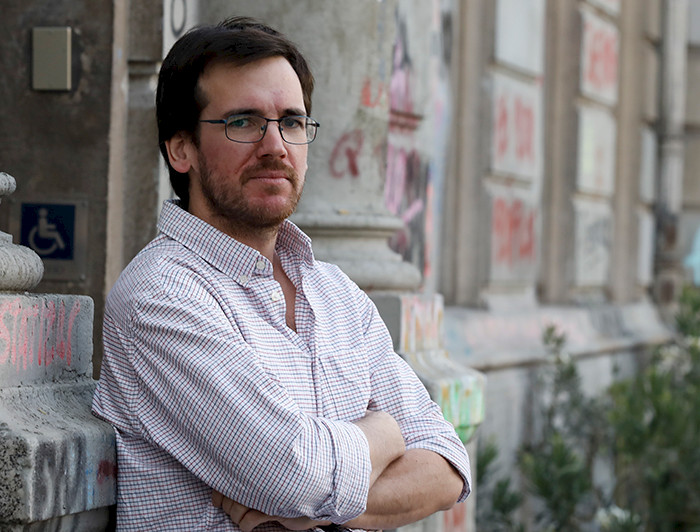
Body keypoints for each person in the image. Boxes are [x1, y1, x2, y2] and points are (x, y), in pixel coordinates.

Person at [92, 16, 471, 531]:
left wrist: (301, 511)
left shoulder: (336, 294)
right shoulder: (161, 297)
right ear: (181, 149)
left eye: (292, 122)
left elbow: (448, 463)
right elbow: (297, 474)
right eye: (243, 122)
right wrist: (384, 432)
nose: (276, 146)